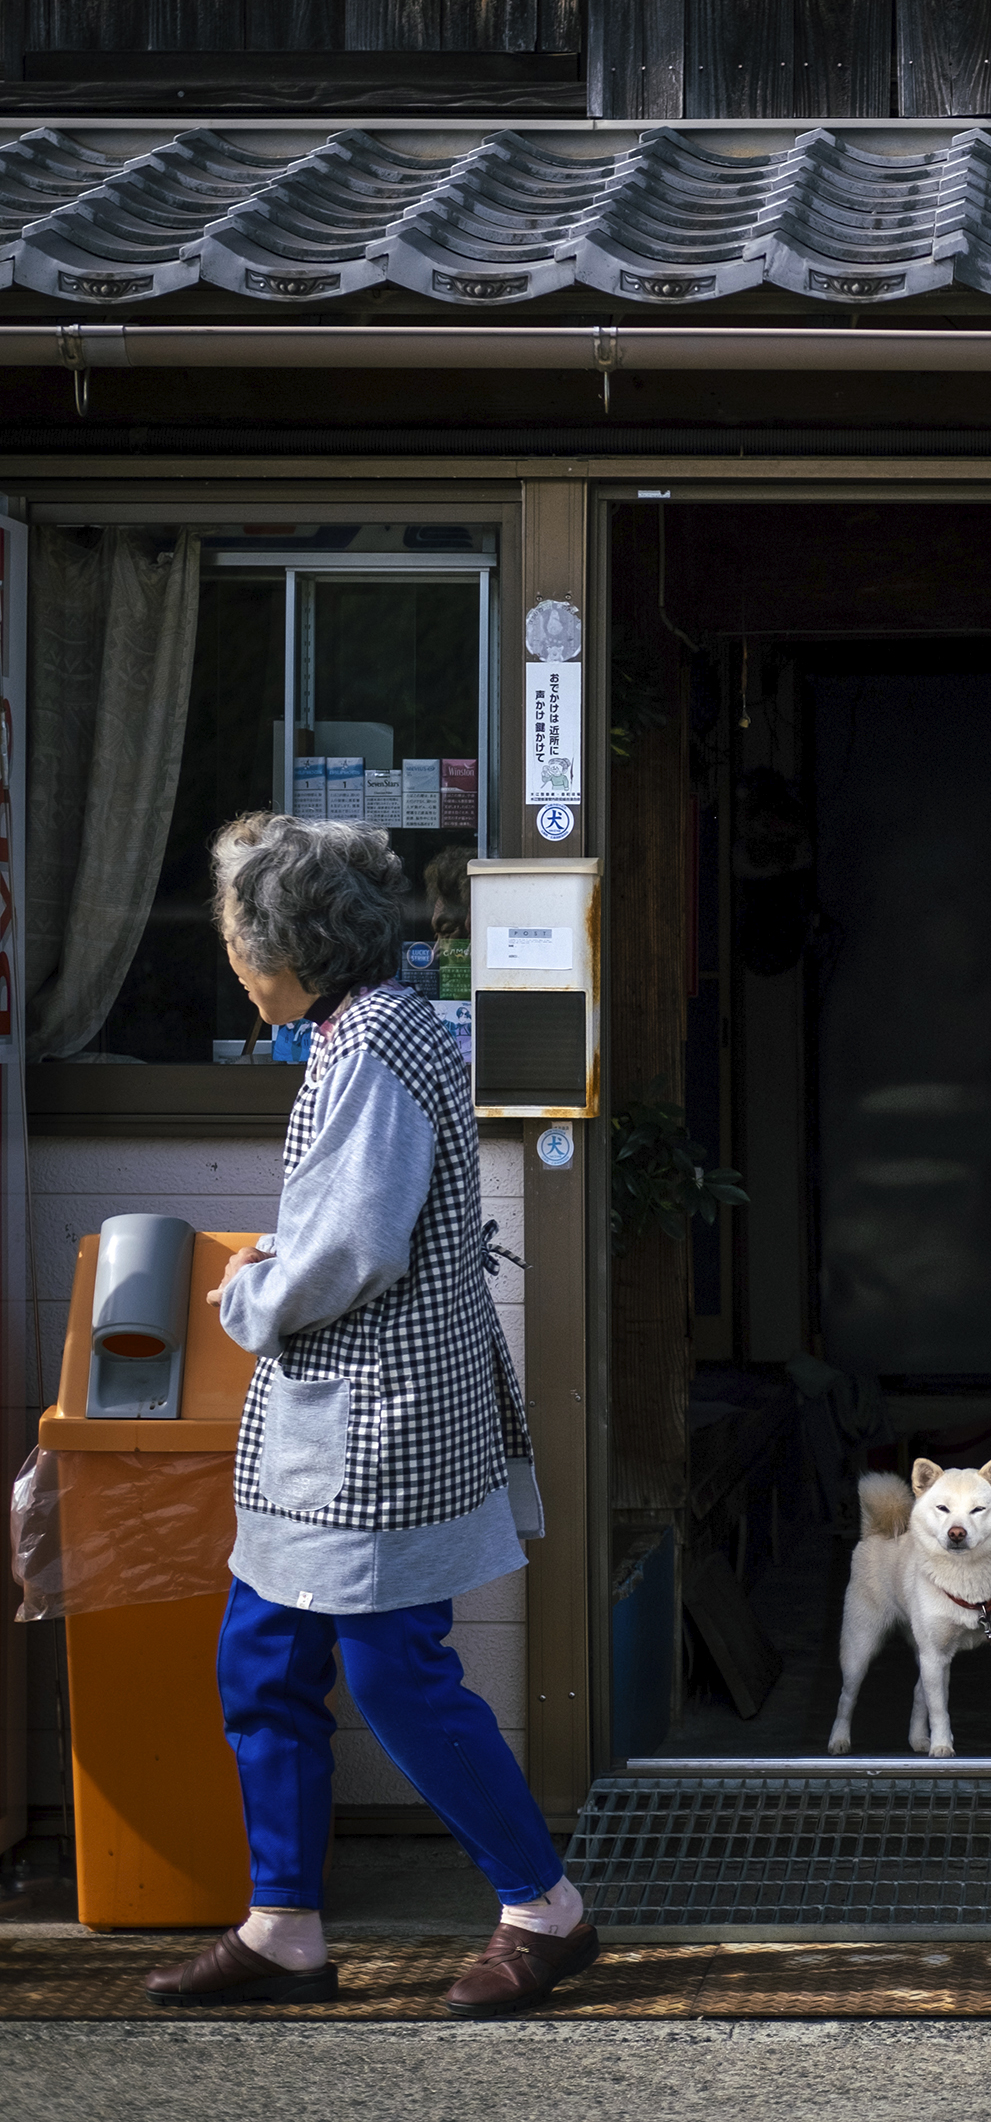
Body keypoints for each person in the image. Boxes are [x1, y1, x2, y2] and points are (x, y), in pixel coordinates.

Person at [145, 814, 598, 2018]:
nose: (236, 963)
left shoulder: (375, 1048)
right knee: (265, 1659)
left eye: (243, 941)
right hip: (331, 1425)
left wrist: (249, 1294)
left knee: (396, 1674)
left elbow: (349, 1245)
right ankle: (283, 1925)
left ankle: (545, 1910)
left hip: (378, 1424)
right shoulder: (362, 1033)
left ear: (295, 944)